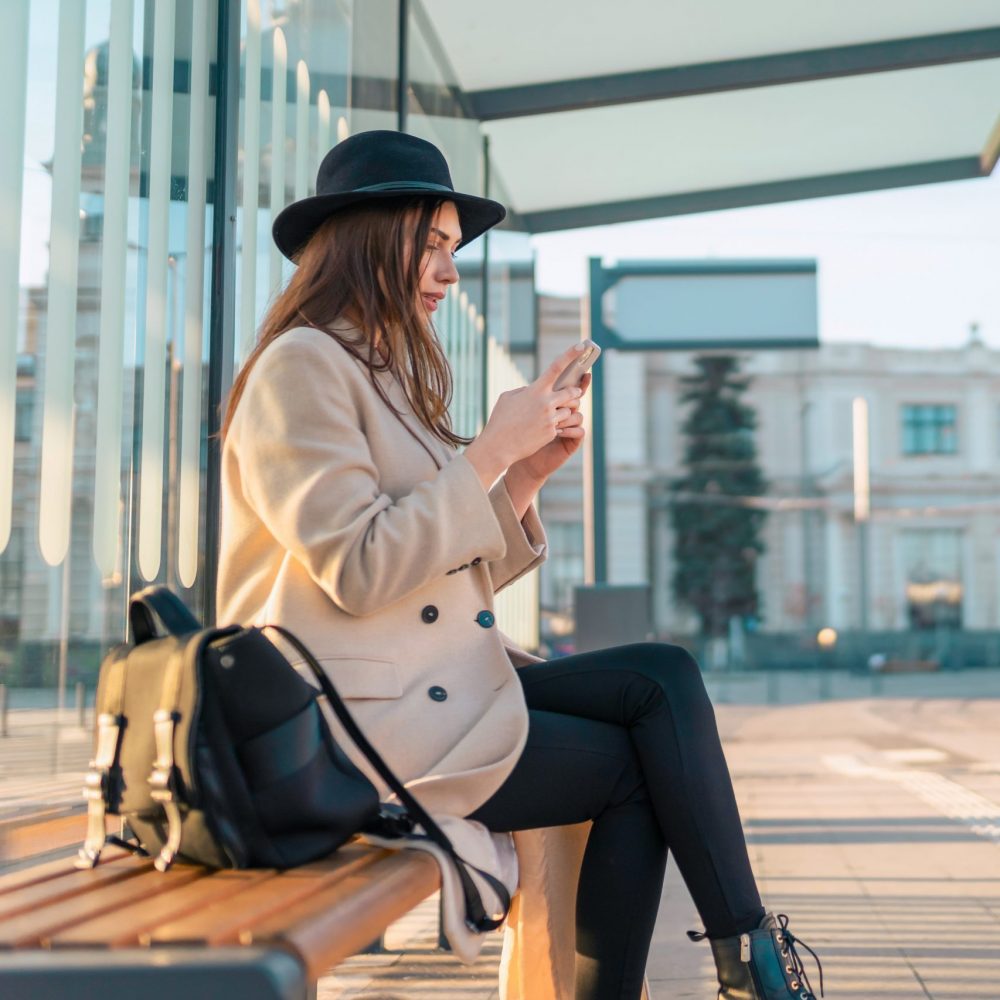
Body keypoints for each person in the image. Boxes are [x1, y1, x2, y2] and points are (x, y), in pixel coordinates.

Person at [216, 130, 822, 1000]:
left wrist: (524, 472)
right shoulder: (301, 367)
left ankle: (747, 956)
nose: (449, 273)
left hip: (415, 690)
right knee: (630, 769)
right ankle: (747, 967)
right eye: (432, 245)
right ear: (368, 237)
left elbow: (432, 585)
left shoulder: (379, 377)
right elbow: (359, 568)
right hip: (345, 725)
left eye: (452, 251)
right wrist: (491, 453)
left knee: (661, 675)